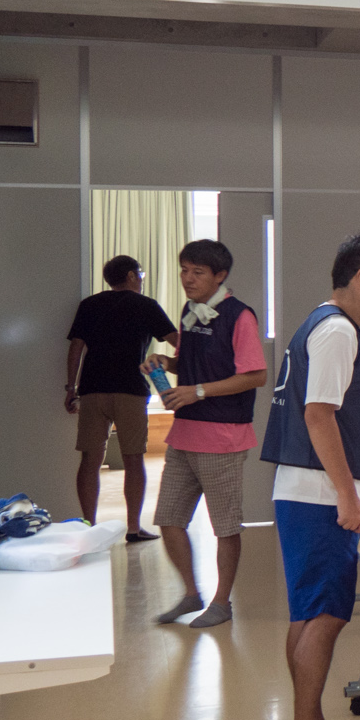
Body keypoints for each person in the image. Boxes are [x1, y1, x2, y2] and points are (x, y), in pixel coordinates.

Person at [261, 233, 360, 720]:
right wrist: (349, 495)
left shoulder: (320, 324)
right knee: (325, 615)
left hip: (303, 489)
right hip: (318, 496)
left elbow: (332, 419)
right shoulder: (339, 331)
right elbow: (318, 416)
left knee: (308, 615)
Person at [146, 240, 267, 629]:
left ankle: (221, 601)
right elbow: (190, 362)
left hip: (223, 436)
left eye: (197, 272)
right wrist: (166, 362)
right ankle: (190, 593)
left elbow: (255, 375)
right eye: (184, 270)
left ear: (220, 276)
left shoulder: (239, 316)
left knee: (225, 526)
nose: (188, 279)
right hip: (184, 434)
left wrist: (196, 391)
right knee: (168, 519)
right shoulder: (188, 312)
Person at [65, 254, 179, 540]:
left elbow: (76, 347)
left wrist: (71, 388)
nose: (141, 278)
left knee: (90, 459)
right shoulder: (146, 305)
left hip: (92, 389)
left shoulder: (89, 305)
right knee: (133, 459)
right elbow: (177, 340)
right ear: (130, 275)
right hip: (130, 389)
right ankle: (133, 527)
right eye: (140, 273)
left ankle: (88, 525)